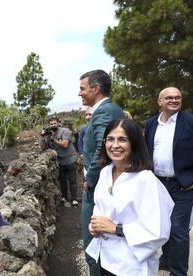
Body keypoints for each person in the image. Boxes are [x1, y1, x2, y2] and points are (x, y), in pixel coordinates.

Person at [86, 118, 174, 275]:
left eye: (122, 139)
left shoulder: (145, 180)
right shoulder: (106, 172)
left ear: (134, 143)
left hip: (131, 266)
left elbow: (158, 231)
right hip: (105, 259)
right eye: (110, 139)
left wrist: (115, 229)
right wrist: (94, 225)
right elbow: (99, 206)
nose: (114, 145)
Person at [144, 87, 193, 276]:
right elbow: (146, 152)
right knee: (162, 226)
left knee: (178, 231)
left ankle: (179, 272)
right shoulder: (151, 124)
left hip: (183, 185)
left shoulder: (192, 122)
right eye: (169, 98)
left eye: (177, 97)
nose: (174, 100)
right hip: (157, 184)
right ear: (160, 102)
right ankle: (166, 260)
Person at [78, 69, 125, 276]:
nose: (79, 93)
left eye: (82, 88)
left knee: (93, 245)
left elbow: (101, 149)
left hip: (98, 187)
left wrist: (90, 180)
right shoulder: (108, 110)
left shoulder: (105, 111)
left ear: (95, 89)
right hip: (104, 184)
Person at [40, 116, 78, 207]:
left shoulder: (65, 131)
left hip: (70, 159)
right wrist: (42, 138)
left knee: (72, 180)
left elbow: (65, 144)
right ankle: (64, 197)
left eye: (55, 123)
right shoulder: (49, 135)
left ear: (58, 123)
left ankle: (74, 199)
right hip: (60, 161)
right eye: (51, 124)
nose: (53, 125)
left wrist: (54, 140)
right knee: (63, 181)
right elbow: (44, 148)